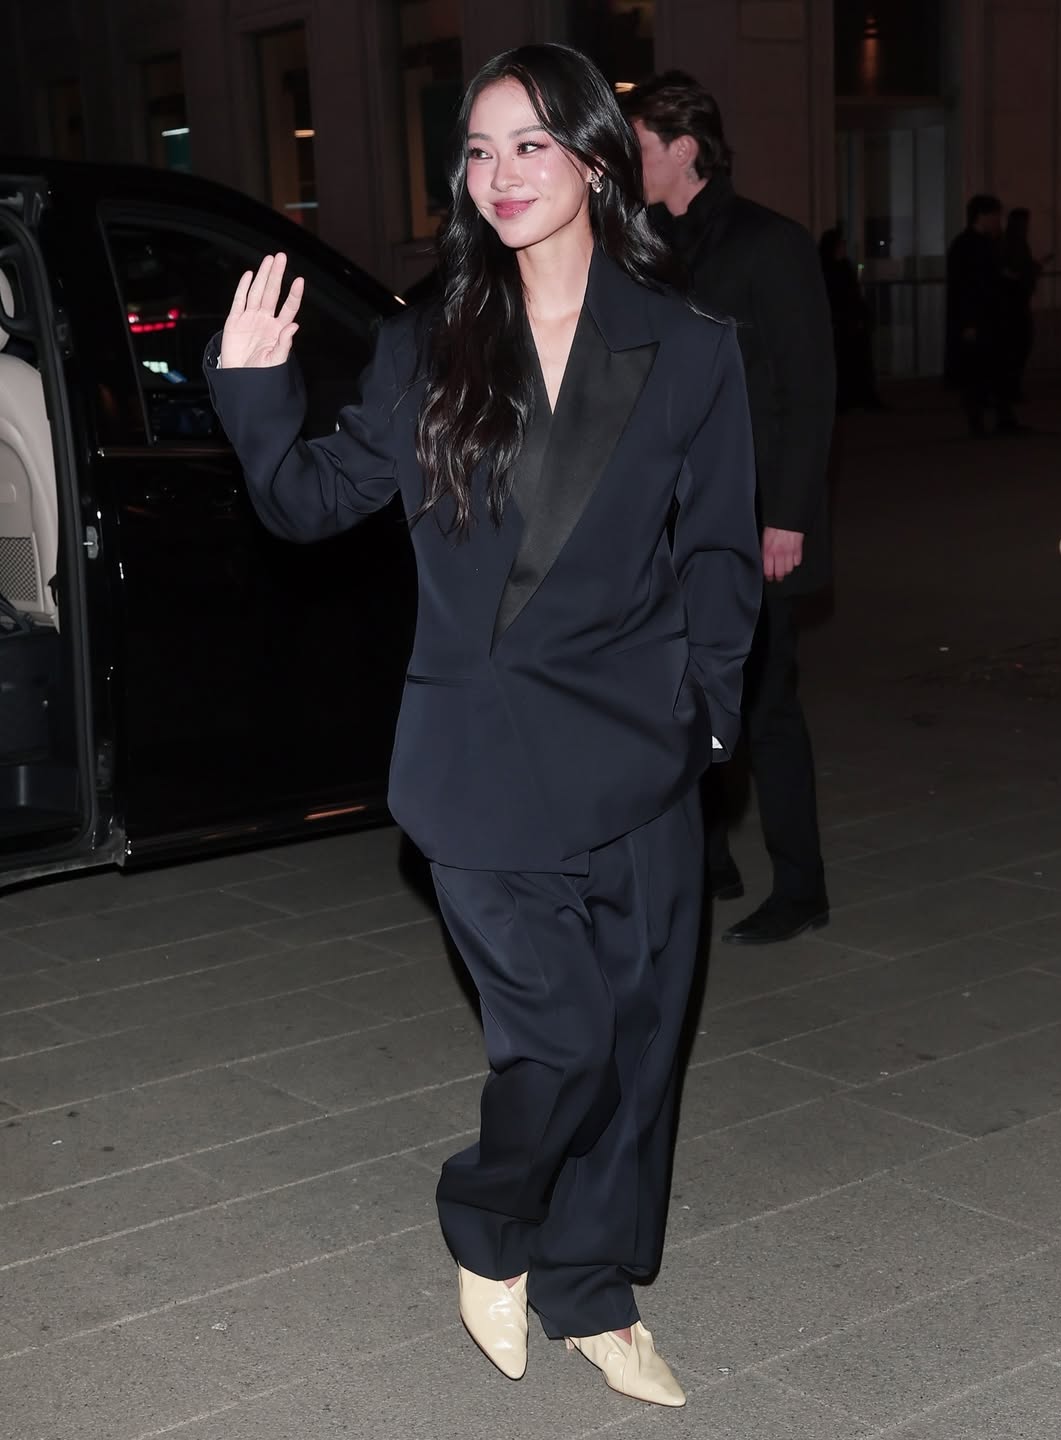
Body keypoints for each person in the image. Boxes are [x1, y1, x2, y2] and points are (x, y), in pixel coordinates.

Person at [204, 44, 760, 1408]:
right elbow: (306, 504)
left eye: (529, 145)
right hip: (480, 765)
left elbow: (720, 555)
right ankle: (488, 1222)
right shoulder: (425, 346)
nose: (499, 174)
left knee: (640, 1050)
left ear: (595, 160)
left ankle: (593, 1290)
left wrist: (704, 718)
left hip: (636, 758)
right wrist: (252, 390)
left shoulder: (689, 349)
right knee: (562, 1043)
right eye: (476, 150)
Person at [623, 71, 834, 946]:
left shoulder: (768, 243)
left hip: (757, 521)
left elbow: (809, 389)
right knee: (683, 694)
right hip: (677, 516)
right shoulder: (648, 246)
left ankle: (802, 887)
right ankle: (709, 858)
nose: (625, 161)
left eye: (638, 146)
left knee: (766, 705)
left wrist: (788, 517)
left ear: (684, 150)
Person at [945, 194, 1021, 435]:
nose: (998, 221)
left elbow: (989, 277)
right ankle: (977, 422)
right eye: (995, 216)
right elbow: (963, 286)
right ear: (982, 216)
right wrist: (968, 322)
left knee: (997, 368)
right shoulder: (965, 245)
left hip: (992, 317)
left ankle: (1004, 418)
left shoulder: (986, 243)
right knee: (976, 371)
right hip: (977, 319)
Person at [819, 224, 883, 412]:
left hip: (852, 323)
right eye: (840, 244)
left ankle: (862, 397)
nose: (843, 248)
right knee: (843, 363)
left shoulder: (844, 266)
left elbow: (854, 294)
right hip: (840, 324)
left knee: (859, 361)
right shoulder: (826, 268)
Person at [998, 207, 1047, 404]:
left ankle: (1010, 388)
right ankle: (1010, 389)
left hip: (1013, 302)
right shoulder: (1015, 243)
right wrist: (1032, 270)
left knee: (1017, 347)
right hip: (1015, 303)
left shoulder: (1010, 242)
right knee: (1018, 346)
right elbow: (1016, 271)